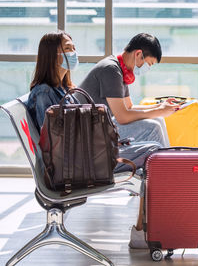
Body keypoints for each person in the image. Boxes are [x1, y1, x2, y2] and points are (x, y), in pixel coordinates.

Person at [26, 31, 162, 173]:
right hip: (81, 164)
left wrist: (107, 140)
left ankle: (160, 188)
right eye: (68, 48)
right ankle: (167, 188)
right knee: (153, 150)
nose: (73, 53)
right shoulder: (44, 93)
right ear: (51, 55)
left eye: (74, 48)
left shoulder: (65, 90)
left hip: (88, 153)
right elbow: (55, 143)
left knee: (152, 147)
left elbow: (77, 130)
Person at [79, 33, 178, 148]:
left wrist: (160, 107)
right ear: (138, 54)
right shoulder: (111, 70)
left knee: (158, 120)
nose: (148, 69)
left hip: (100, 125)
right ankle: (164, 165)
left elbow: (129, 107)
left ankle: (165, 161)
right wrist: (160, 111)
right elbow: (123, 116)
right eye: (148, 64)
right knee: (153, 128)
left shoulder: (120, 70)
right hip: (90, 132)